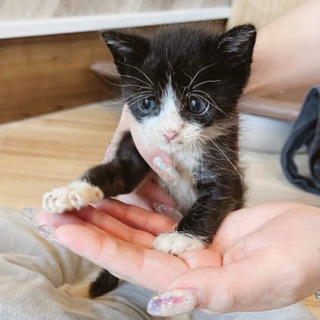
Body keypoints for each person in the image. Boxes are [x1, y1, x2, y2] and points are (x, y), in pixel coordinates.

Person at [27, 0, 320, 318]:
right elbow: (122, 170)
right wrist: (86, 187)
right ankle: (102, 283)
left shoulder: (219, 134)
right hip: (154, 212)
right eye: (149, 104)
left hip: (204, 221)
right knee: (124, 215)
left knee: (201, 217)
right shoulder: (147, 128)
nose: (168, 130)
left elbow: (222, 189)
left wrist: (191, 233)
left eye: (195, 105)